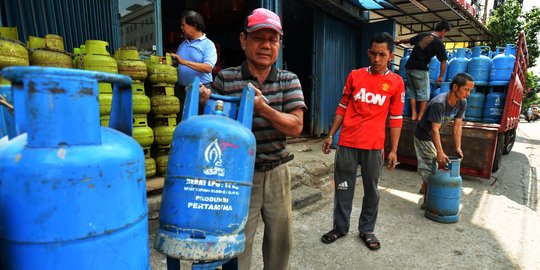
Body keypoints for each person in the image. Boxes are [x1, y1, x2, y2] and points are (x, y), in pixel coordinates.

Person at [199, 8, 307, 269]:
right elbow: (211, 126)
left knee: (280, 242)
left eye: (273, 39)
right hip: (238, 176)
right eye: (259, 38)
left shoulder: (288, 80)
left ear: (279, 45)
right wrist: (205, 100)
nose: (266, 45)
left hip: (278, 172)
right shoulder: (226, 78)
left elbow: (295, 127)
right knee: (238, 241)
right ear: (243, 40)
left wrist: (263, 109)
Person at [320, 32, 405, 251]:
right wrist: (331, 135)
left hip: (374, 147)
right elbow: (342, 107)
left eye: (382, 55)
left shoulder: (396, 83)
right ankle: (340, 227)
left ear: (390, 56)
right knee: (343, 187)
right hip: (348, 143)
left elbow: (396, 119)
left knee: (372, 190)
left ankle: (367, 230)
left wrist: (394, 150)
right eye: (373, 54)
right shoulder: (355, 76)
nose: (377, 59)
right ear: (369, 53)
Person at [414, 72, 473, 208]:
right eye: (466, 90)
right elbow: (434, 129)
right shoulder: (439, 103)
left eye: (470, 90)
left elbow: (457, 127)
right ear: (455, 87)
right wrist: (439, 152)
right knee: (431, 166)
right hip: (423, 136)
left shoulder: (462, 102)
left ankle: (424, 188)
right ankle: (427, 202)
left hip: (432, 135)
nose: (468, 94)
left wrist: (458, 147)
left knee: (433, 164)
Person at [395, 21, 451, 121]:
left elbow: (409, 40)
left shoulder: (423, 35)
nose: (444, 35)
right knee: (424, 94)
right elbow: (443, 61)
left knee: (412, 92)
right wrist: (441, 76)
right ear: (443, 31)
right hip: (420, 69)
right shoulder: (438, 42)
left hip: (409, 68)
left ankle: (413, 114)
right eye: (445, 33)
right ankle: (420, 116)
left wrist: (399, 41)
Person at [172, 10, 217, 104]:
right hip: (181, 90)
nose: (181, 28)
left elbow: (208, 67)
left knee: (199, 118)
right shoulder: (182, 45)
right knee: (182, 118)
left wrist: (184, 62)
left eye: (183, 24)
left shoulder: (208, 45)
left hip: (201, 90)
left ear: (194, 25)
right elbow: (178, 63)